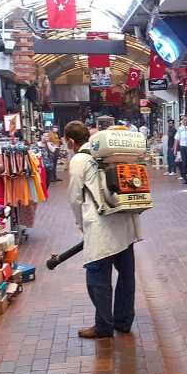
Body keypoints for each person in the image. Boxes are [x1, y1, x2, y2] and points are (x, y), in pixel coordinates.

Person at [66, 121, 142, 339]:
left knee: (97, 279)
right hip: (125, 224)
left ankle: (104, 326)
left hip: (100, 226)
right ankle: (124, 322)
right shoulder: (108, 156)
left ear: (71, 141)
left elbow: (74, 197)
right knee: (126, 276)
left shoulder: (79, 159)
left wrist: (80, 223)